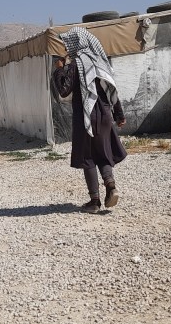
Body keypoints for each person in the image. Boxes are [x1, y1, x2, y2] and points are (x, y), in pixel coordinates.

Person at [52, 27, 127, 214]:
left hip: (86, 115)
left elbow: (64, 90)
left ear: (77, 44)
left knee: (88, 157)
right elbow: (112, 89)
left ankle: (94, 202)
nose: (66, 49)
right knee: (103, 153)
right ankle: (111, 186)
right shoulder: (100, 61)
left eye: (68, 45)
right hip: (105, 115)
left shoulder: (76, 65)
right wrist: (119, 115)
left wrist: (59, 70)